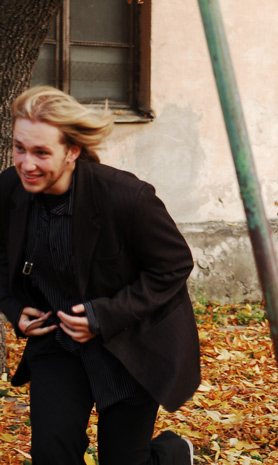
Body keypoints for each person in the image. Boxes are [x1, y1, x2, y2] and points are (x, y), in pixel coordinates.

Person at [0, 86, 201, 465]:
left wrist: (102, 315)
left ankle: (174, 454)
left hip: (129, 345)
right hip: (57, 341)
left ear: (72, 151)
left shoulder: (126, 197)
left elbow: (174, 265)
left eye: (41, 152)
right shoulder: (10, 189)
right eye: (19, 148)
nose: (26, 164)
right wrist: (13, 305)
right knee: (51, 455)